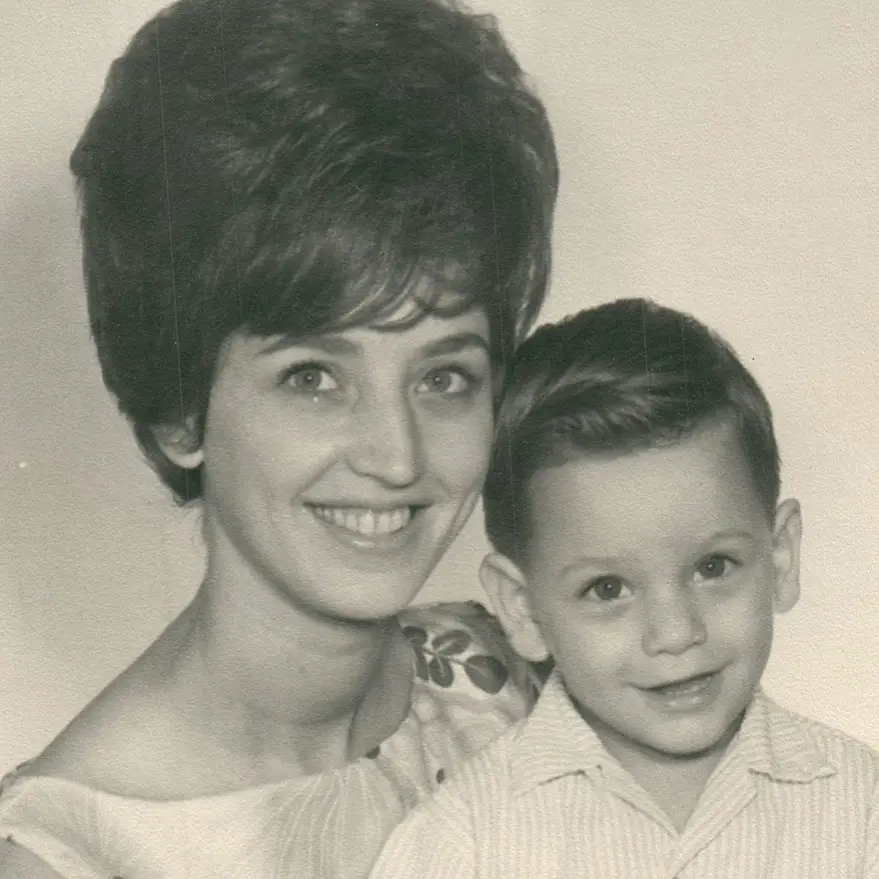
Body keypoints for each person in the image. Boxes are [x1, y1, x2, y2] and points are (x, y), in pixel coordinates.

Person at [0, 0, 558, 876]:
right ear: (180, 411)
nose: (397, 455)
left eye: (443, 375)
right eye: (313, 377)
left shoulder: (505, 675)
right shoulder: (72, 855)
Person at [369, 298, 879, 878]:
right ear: (523, 609)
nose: (675, 632)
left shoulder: (862, 811)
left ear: (780, 557)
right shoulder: (464, 840)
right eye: (608, 588)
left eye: (713, 566)